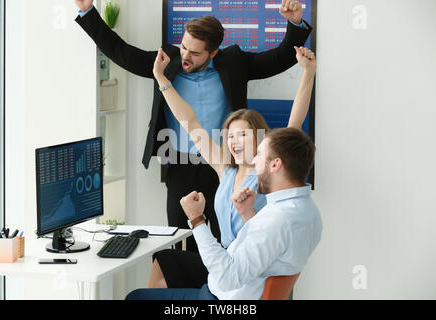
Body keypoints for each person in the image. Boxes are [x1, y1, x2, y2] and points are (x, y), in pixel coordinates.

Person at [74, 0, 312, 252]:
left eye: (195, 53)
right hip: (180, 163)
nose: (186, 56)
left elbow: (279, 58)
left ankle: (218, 289)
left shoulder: (234, 62)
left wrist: (294, 22)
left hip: (224, 164)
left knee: (224, 239)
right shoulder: (167, 61)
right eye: (184, 46)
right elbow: (120, 51)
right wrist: (88, 11)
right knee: (178, 239)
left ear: (213, 52)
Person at [147, 45, 316, 289]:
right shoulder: (226, 170)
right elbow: (191, 123)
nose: (234, 142)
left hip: (245, 268)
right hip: (224, 256)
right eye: (230, 136)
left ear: (261, 138)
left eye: (243, 135)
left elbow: (295, 122)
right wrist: (161, 78)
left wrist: (308, 72)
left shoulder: (269, 173)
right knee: (164, 261)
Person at [126, 126, 323, 300]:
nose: (254, 160)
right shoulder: (308, 211)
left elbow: (228, 278)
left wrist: (196, 220)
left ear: (275, 165)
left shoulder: (277, 219)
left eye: (260, 155)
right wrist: (248, 214)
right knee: (168, 262)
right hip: (244, 288)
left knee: (136, 297)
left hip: (221, 298)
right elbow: (271, 249)